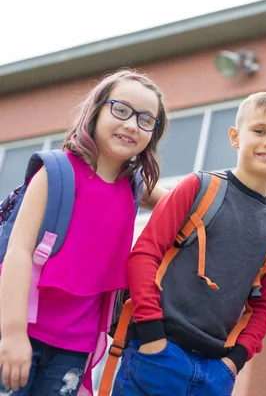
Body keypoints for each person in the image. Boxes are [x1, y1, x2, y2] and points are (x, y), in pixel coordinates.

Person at [112, 91, 266, 396]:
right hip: (156, 355)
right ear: (235, 137)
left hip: (215, 374)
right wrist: (151, 335)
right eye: (260, 131)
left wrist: (234, 362)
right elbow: (144, 254)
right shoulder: (198, 187)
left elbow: (264, 307)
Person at [0, 69, 168, 395]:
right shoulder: (56, 172)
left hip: (75, 350)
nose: (132, 124)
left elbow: (187, 204)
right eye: (121, 110)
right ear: (97, 110)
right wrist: (12, 333)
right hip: (20, 335)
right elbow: (18, 253)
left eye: (146, 120)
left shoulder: (133, 188)